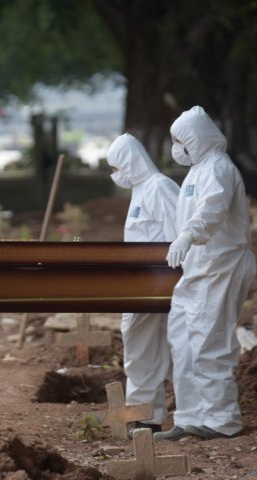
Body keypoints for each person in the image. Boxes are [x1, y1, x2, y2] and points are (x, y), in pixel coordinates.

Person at [155, 106, 256, 441]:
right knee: (182, 339)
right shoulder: (198, 170)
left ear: (195, 138)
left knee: (210, 341)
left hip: (221, 266)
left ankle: (222, 419)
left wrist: (188, 235)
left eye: (179, 140)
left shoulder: (218, 169)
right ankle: (190, 415)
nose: (176, 147)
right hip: (200, 269)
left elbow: (212, 209)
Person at [106, 133, 179, 433]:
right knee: (139, 348)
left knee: (157, 349)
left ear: (130, 162)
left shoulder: (159, 188)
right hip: (140, 284)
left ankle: (166, 415)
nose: (115, 174)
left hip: (159, 284)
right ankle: (146, 415)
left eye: (117, 166)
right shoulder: (140, 190)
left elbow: (178, 235)